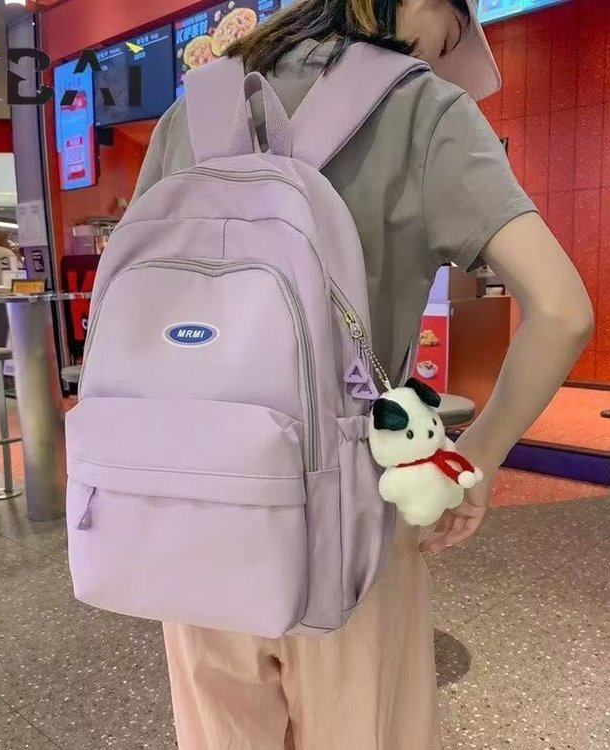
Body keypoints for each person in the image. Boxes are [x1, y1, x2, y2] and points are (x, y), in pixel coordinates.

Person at [130, 0, 594, 748]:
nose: (441, 54)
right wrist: (474, 458)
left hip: (194, 503)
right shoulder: (423, 109)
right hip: (352, 519)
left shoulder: (194, 111)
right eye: (453, 33)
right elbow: (563, 310)